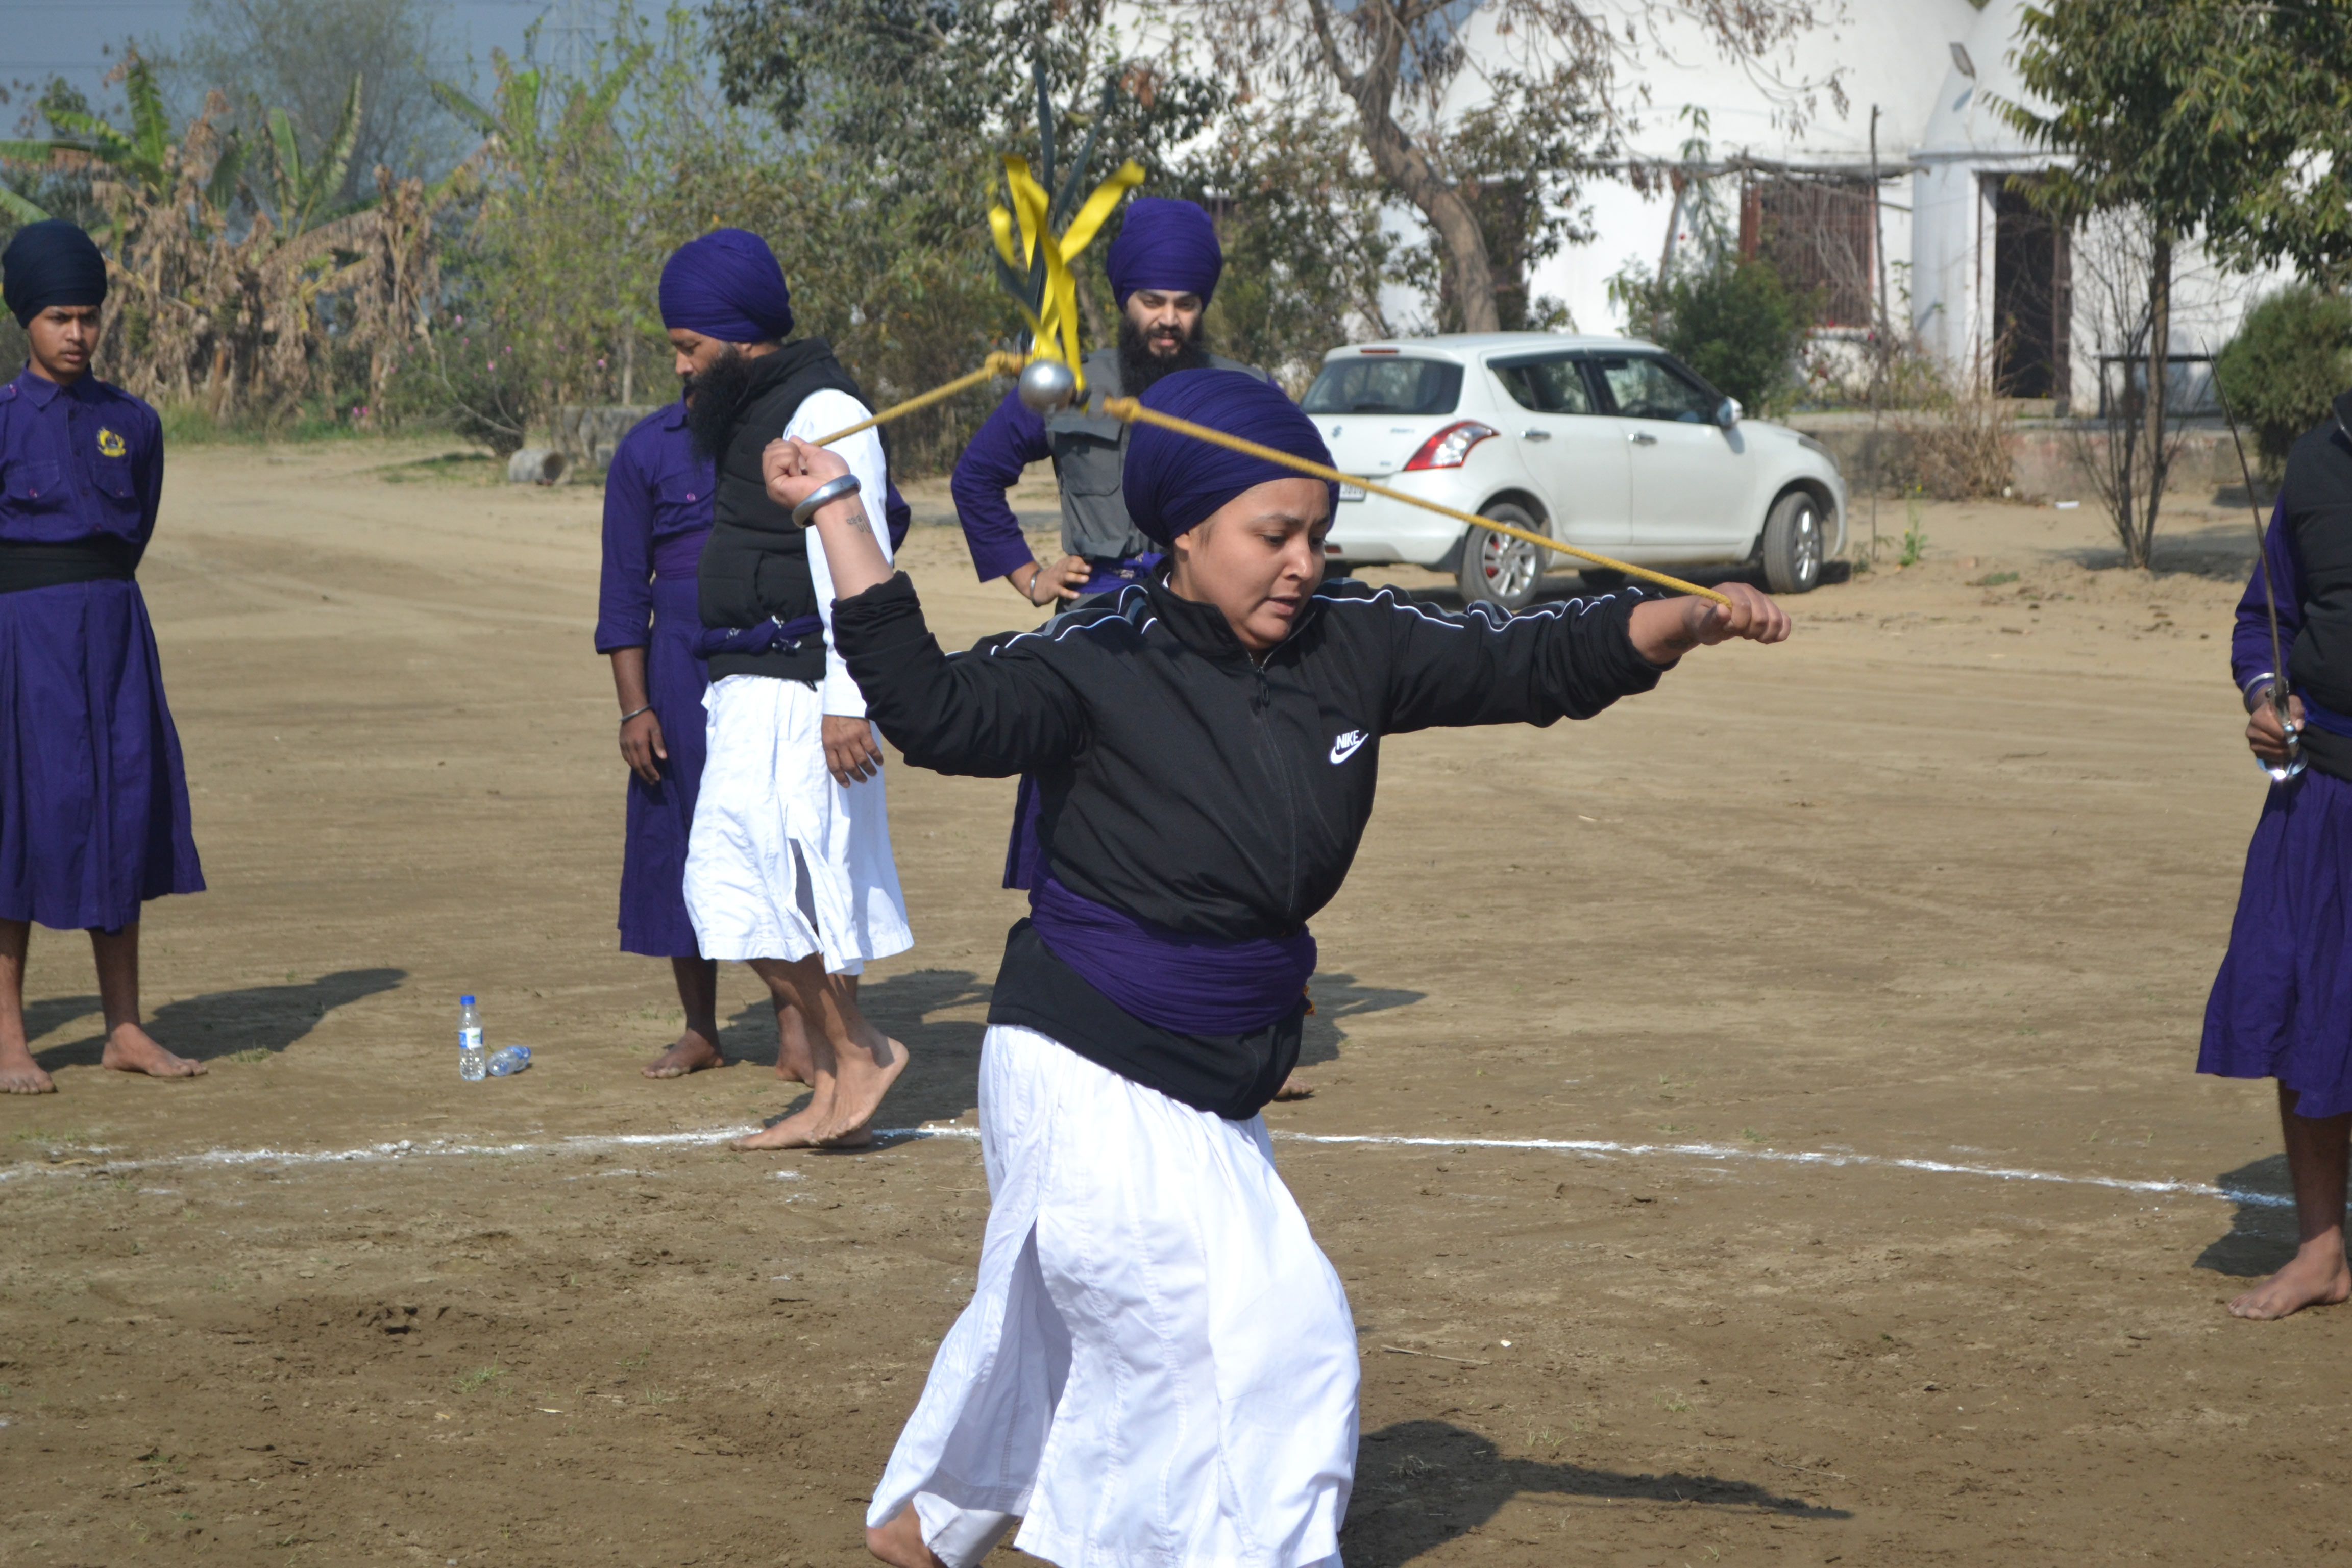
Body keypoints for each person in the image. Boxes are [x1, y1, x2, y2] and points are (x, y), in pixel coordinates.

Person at [763, 368, 1791, 1568]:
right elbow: (935, 712)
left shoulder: (1353, 641)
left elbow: (1525, 662)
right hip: (1080, 1057)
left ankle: (926, 1520)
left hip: (1214, 1070)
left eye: (1317, 531)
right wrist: (840, 511)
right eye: (1272, 534)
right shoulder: (1095, 654)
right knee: (1271, 1335)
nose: (1302, 560)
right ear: (1184, 534)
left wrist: (1682, 619)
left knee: (1086, 1320)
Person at [664, 227, 915, 1148]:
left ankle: (858, 1055)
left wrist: (850, 696)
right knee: (739, 890)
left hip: (806, 689)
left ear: (739, 335)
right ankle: (836, 1071)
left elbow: (856, 556)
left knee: (797, 889)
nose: (683, 367)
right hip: (744, 687)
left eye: (691, 347)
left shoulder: (824, 406)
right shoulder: (748, 408)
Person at [0, 219, 207, 1095]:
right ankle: (8, 1038)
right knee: (17, 828)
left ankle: (124, 1028)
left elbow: (133, 531)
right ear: (26, 322)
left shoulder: (134, 422)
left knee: (118, 818)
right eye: (59, 318)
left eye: (88, 316)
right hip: (20, 648)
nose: (77, 334)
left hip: (117, 639)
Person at [2200, 387, 2352, 1320]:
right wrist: (2265, 694)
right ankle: (2320, 1252)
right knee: (2306, 1010)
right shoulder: (2313, 463)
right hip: (2322, 786)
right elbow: (2263, 617)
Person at [950, 197, 1269, 611]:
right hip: (1097, 621)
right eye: (1153, 302)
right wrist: (1031, 578)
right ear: (1127, 301)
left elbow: (1311, 489)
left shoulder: (1247, 389)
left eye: (1185, 305)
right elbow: (976, 477)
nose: (1169, 319)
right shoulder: (1066, 384)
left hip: (1210, 613)